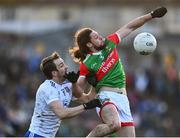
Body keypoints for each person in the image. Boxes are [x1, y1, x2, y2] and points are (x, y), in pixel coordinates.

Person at [65, 7, 167, 137]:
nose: (101, 38)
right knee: (114, 124)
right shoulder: (87, 64)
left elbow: (130, 27)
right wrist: (74, 83)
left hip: (123, 99)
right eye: (96, 37)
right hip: (106, 97)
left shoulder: (110, 43)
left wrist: (152, 15)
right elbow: (78, 94)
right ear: (89, 45)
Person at [24, 51, 102, 137]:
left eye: (64, 64)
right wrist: (86, 106)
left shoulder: (67, 85)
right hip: (36, 135)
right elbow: (62, 113)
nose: (66, 67)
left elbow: (87, 99)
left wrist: (94, 84)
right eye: (61, 66)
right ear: (54, 73)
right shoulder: (47, 88)